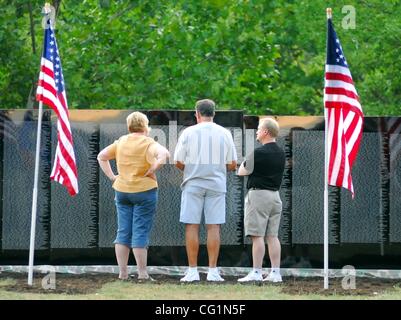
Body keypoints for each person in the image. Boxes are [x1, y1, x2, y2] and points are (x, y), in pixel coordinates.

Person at [97, 111, 169, 281]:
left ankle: (123, 273)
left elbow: (101, 156)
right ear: (145, 126)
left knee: (123, 231)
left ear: (129, 126)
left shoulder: (121, 141)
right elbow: (164, 154)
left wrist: (113, 177)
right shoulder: (148, 142)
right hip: (144, 191)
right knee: (140, 231)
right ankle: (142, 273)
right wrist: (153, 169)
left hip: (122, 191)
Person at [174, 99, 237, 282]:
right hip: (216, 184)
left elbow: (178, 160)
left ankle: (193, 271)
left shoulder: (188, 132)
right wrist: (216, 169)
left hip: (193, 183)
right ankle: (213, 271)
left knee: (191, 225)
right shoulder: (224, 133)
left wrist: (193, 170)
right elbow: (232, 163)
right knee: (214, 226)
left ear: (197, 114)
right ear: (214, 113)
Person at [237, 117, 285, 283]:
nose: (257, 132)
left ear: (265, 132)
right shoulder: (281, 152)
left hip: (258, 196)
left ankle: (256, 272)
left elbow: (241, 172)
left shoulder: (258, 152)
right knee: (273, 236)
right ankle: (275, 273)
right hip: (275, 197)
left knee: (257, 236)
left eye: (258, 129)